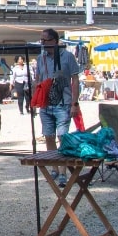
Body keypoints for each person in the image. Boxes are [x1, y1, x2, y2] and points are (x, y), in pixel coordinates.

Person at [33, 28, 81, 185]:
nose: (42, 43)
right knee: (49, 136)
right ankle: (54, 169)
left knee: (62, 136)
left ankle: (63, 172)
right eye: (41, 40)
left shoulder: (67, 56)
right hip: (46, 104)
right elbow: (38, 80)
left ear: (54, 41)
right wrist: (35, 100)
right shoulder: (41, 58)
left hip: (63, 103)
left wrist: (74, 103)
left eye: (45, 40)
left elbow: (75, 80)